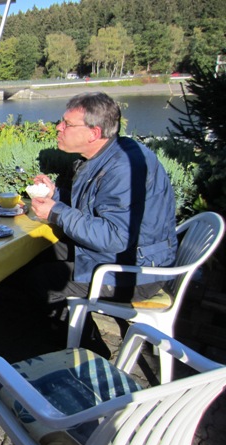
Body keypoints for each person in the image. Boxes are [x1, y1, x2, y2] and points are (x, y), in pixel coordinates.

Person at [27, 92, 178, 353]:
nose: (58, 128)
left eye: (66, 124)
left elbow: (115, 237)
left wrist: (56, 212)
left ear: (94, 133)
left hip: (136, 271)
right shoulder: (108, 155)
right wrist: (56, 195)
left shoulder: (123, 169)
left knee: (43, 280)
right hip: (120, 255)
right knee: (35, 252)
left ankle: (87, 350)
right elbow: (94, 206)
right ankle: (58, 330)